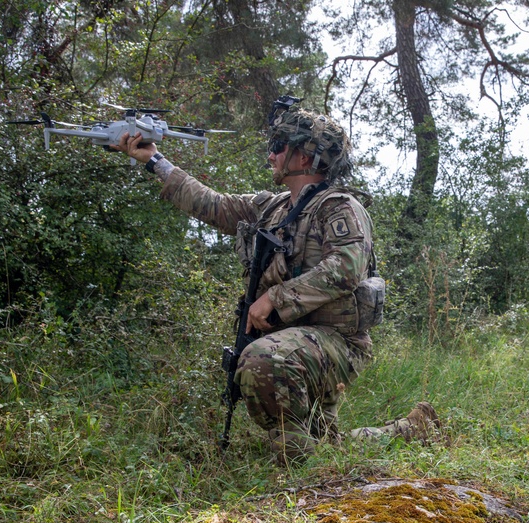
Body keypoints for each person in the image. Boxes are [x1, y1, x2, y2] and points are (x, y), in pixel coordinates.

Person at [113, 97, 440, 463]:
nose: (270, 155)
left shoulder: (340, 207)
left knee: (261, 362)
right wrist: (154, 160)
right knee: (322, 444)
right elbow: (211, 203)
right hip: (297, 343)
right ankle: (411, 429)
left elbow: (348, 267)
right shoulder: (272, 207)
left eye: (278, 147)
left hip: (336, 342)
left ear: (304, 157)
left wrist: (276, 298)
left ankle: (299, 467)